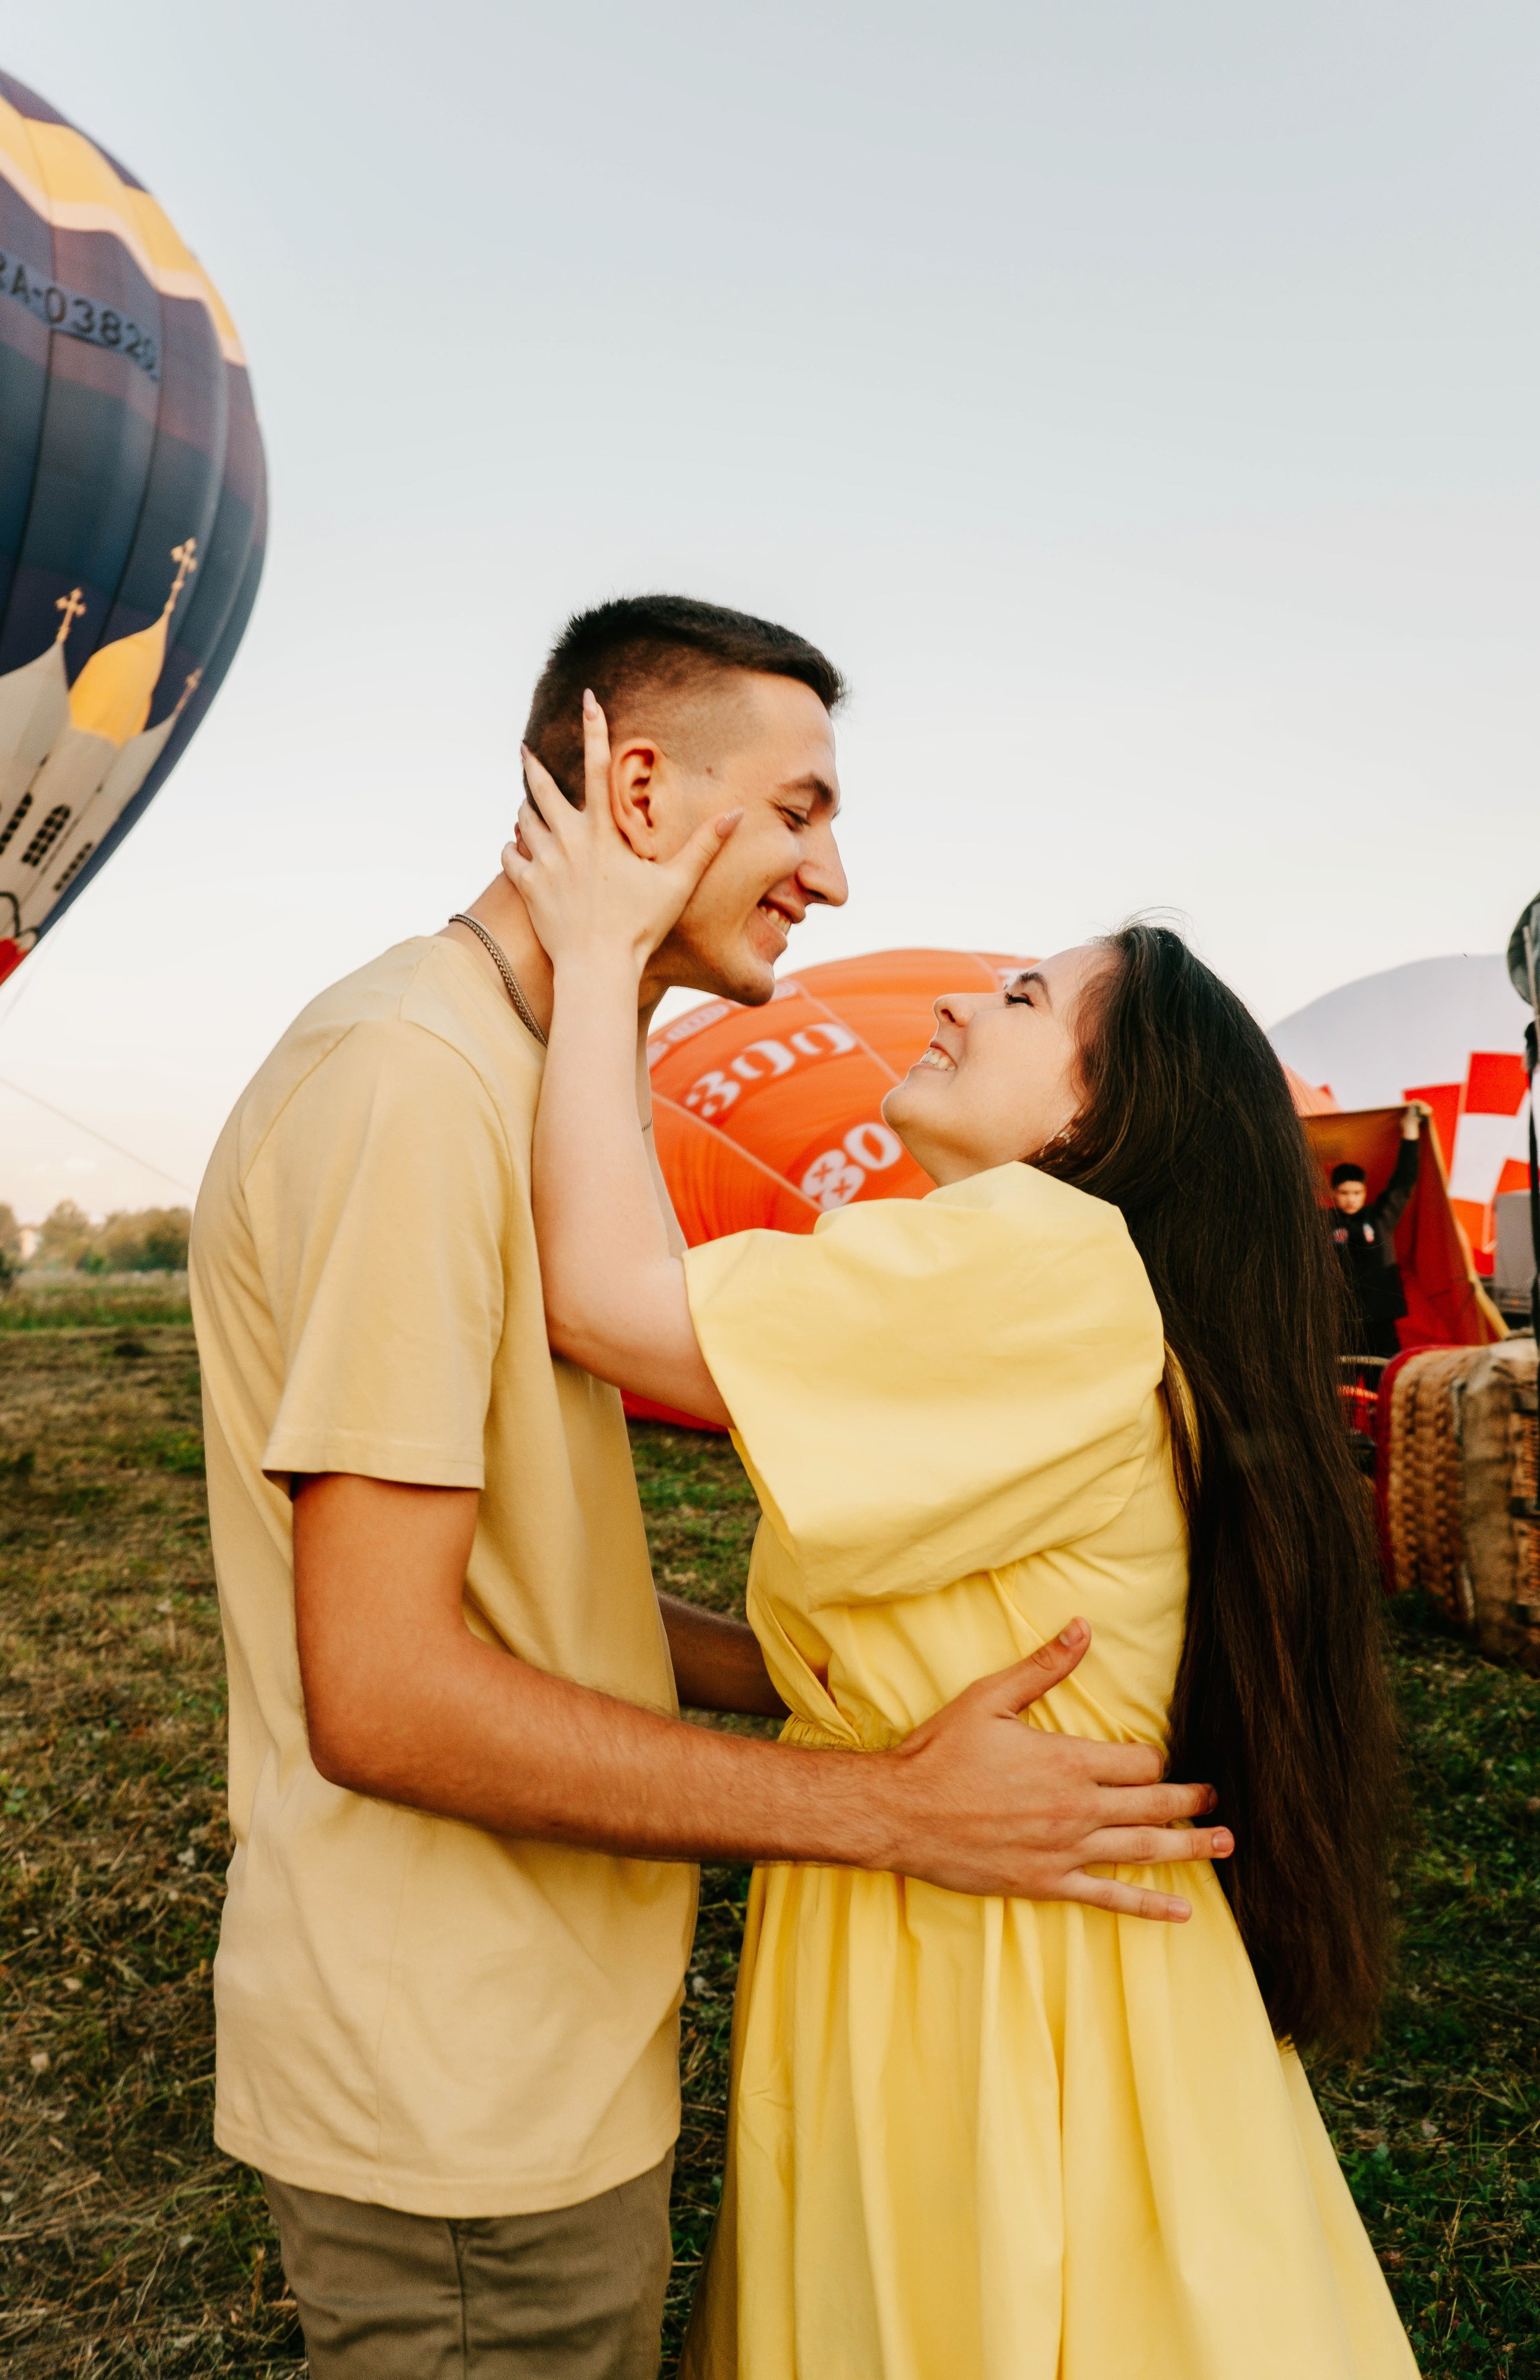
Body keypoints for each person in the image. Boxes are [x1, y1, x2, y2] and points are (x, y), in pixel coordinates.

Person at [188, 596, 1230, 2380]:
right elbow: (382, 1689)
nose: (837, 877)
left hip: (548, 2034)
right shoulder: (414, 1088)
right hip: (458, 2074)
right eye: (804, 809)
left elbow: (526, 1573)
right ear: (641, 791)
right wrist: (889, 1807)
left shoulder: (530, 1084)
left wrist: (835, 1674)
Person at [503, 703, 1415, 2380]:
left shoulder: (1044, 1252)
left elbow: (610, 1304)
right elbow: (886, 1648)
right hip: (1013, 1935)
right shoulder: (1078, 1288)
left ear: (1104, 1112)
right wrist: (600, 1613)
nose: (949, 995)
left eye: (1018, 1000)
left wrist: (593, 961)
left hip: (991, 1972)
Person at [1329, 1103, 1427, 1360]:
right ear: (1333, 1194)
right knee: (1343, 1384)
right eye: (1344, 1193)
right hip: (1341, 1319)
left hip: (1381, 1317)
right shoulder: (1320, 1223)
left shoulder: (1381, 1217)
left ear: (1365, 1191)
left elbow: (1404, 1181)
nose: (1351, 1199)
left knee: (1384, 1379)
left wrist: (1410, 1129)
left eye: (1356, 1193)